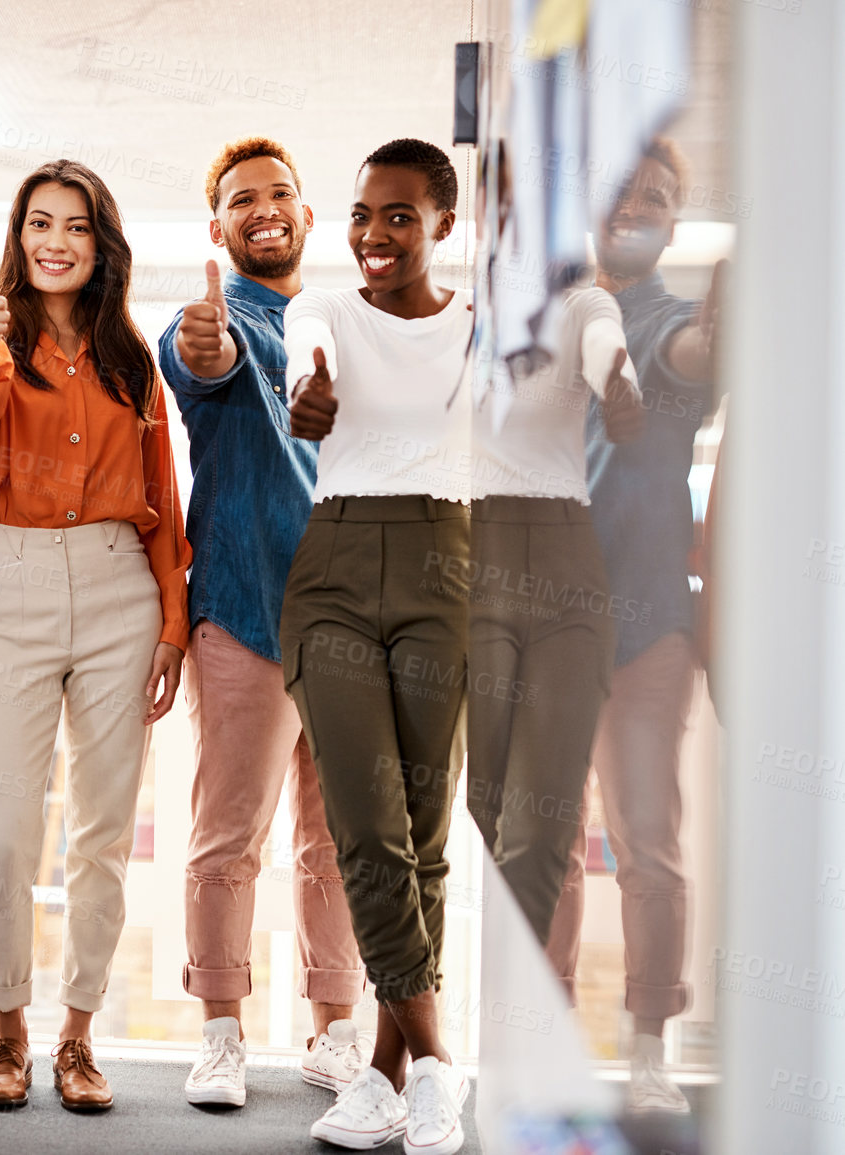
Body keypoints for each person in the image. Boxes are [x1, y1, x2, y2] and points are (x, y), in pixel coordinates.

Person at [0, 159, 192, 1112]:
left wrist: (171, 618)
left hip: (120, 588)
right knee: (3, 835)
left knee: (99, 833)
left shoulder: (133, 358)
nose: (55, 241)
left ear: (102, 245)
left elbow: (164, 499)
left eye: (76, 227)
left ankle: (76, 1037)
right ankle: (4, 1033)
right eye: (39, 223)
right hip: (11, 583)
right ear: (18, 238)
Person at [161, 136, 368, 1109]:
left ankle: (334, 1033)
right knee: (227, 836)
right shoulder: (213, 319)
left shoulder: (353, 326)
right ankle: (221, 1035)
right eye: (244, 199)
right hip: (242, 614)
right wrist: (210, 344)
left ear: (307, 215)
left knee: (336, 842)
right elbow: (199, 359)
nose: (265, 208)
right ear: (220, 228)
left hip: (347, 622)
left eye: (281, 193)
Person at [281, 139, 473, 1154]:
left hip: (448, 560)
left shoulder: (480, 331)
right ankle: (440, 1064)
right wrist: (308, 379)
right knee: (367, 826)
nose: (374, 234)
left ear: (443, 224)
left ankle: (388, 1075)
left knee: (425, 836)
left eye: (399, 216)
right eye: (362, 214)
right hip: (337, 567)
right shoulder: (332, 313)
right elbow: (306, 341)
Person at [544, 137, 722, 1114]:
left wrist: (721, 330)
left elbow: (692, 357)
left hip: (649, 625)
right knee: (548, 845)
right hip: (544, 623)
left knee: (647, 843)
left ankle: (649, 1049)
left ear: (674, 222)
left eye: (661, 193)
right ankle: (548, 1042)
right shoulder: (555, 316)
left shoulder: (672, 328)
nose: (640, 202)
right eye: (626, 187)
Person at [464, 275, 644, 945]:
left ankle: (522, 1014)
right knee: (485, 804)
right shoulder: (456, 315)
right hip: (471, 555)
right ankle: (514, 986)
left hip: (563, 555)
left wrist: (617, 386)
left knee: (541, 822)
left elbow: (604, 344)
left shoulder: (580, 305)